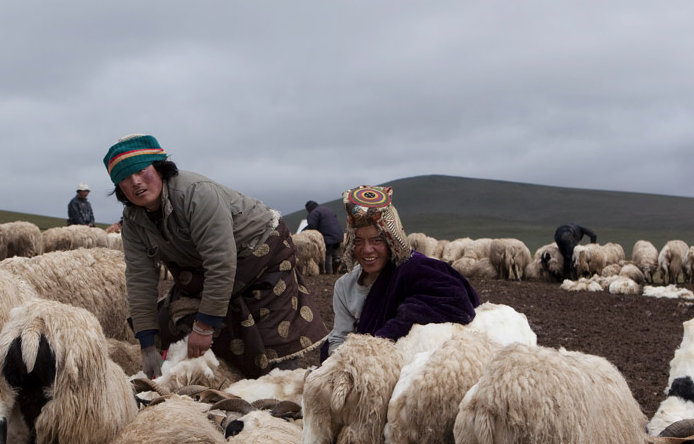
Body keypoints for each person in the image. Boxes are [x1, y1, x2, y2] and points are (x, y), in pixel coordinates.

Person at [104, 134, 328, 379]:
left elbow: (220, 262)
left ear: (159, 168)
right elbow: (139, 278)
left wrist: (204, 326)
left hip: (260, 253)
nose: (136, 182)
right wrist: (146, 346)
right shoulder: (134, 221)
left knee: (267, 330)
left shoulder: (197, 195)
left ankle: (284, 387)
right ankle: (224, 379)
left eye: (142, 170)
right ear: (119, 188)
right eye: (125, 178)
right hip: (204, 265)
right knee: (179, 316)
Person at [323, 185, 480, 360]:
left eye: (377, 240)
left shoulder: (413, 270)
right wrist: (344, 362)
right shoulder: (345, 286)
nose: (367, 250)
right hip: (364, 368)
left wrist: (404, 319)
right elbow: (339, 337)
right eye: (358, 240)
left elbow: (457, 301)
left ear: (392, 240)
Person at [304, 200, 344, 273]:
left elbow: (312, 226)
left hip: (328, 237)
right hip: (339, 236)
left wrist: (304, 232)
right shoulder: (327, 209)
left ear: (308, 208)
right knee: (334, 253)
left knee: (326, 255)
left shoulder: (314, 213)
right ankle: (336, 267)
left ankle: (329, 272)